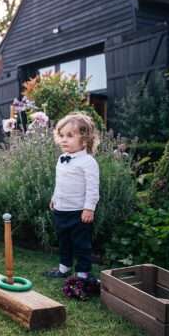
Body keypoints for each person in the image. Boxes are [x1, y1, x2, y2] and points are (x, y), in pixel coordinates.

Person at [44, 113, 100, 280]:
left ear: (84, 139)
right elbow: (59, 182)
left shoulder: (88, 162)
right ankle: (64, 267)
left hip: (79, 212)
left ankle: (82, 273)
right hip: (61, 209)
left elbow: (92, 188)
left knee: (81, 244)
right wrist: (55, 198)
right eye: (61, 136)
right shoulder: (62, 159)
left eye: (70, 135)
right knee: (64, 241)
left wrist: (89, 208)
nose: (64, 140)